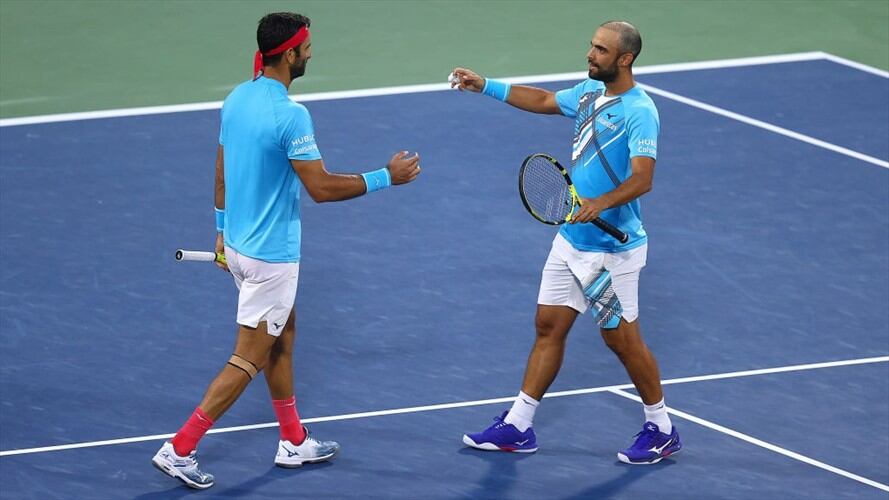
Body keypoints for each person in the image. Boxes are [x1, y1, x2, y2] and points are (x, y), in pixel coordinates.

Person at [152, 12, 421, 489]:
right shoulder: (290, 115)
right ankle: (181, 447)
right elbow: (320, 187)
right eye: (308, 47)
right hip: (270, 258)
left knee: (283, 335)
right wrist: (387, 178)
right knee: (247, 358)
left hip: (237, 245)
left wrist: (220, 231)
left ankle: (293, 440)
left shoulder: (237, 97)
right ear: (291, 53)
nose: (311, 53)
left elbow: (221, 172)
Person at [452, 20, 680, 464]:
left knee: (622, 341)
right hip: (572, 241)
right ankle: (518, 425)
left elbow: (643, 178)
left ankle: (662, 428)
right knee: (548, 326)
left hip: (611, 253)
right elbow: (542, 99)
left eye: (600, 50)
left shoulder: (640, 111)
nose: (590, 55)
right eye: (592, 47)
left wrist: (600, 203)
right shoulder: (590, 93)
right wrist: (485, 86)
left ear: (625, 59)